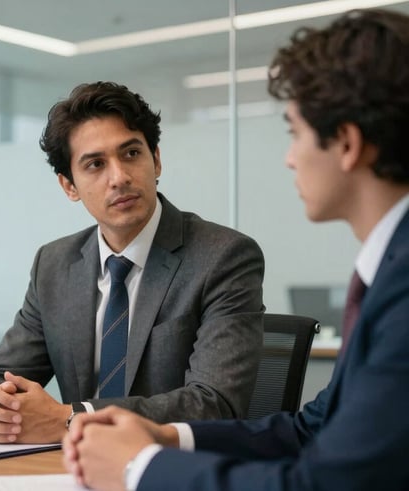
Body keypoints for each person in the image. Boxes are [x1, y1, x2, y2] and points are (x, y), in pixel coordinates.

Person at [63, 8, 409, 491]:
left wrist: (137, 468)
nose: (289, 157)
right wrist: (166, 437)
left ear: (346, 144)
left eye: (293, 131)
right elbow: (311, 429)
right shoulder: (391, 271)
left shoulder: (402, 288)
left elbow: (327, 484)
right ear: (69, 184)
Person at [0, 81, 265, 444]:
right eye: (95, 164)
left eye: (131, 153)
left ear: (156, 160)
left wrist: (70, 419)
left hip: (174, 474)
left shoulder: (223, 256)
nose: (119, 178)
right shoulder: (54, 265)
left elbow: (214, 404)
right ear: (69, 186)